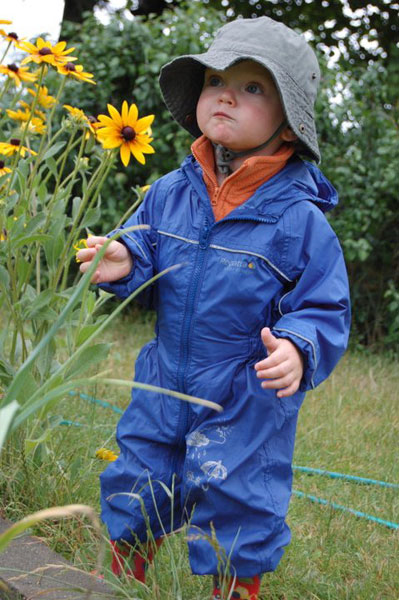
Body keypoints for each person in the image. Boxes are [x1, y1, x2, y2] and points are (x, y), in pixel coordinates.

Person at [77, 16, 351, 600]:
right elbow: (149, 245)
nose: (226, 93)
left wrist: (301, 348)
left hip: (245, 393)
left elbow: (324, 304)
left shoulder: (299, 220)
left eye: (253, 86)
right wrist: (125, 259)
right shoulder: (170, 192)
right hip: (165, 376)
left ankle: (234, 588)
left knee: (238, 497)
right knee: (138, 477)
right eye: (216, 79)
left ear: (288, 122)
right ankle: (122, 581)